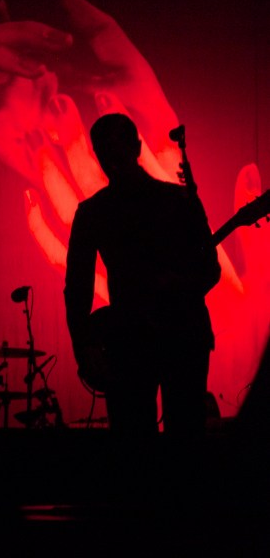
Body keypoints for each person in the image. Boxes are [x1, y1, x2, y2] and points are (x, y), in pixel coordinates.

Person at [64, 113, 221, 442]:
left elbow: (77, 289)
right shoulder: (178, 201)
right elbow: (208, 270)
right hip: (169, 334)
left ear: (134, 148)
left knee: (138, 444)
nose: (112, 161)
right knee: (179, 439)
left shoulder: (95, 211)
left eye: (113, 152)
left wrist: (85, 345)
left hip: (140, 336)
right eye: (107, 154)